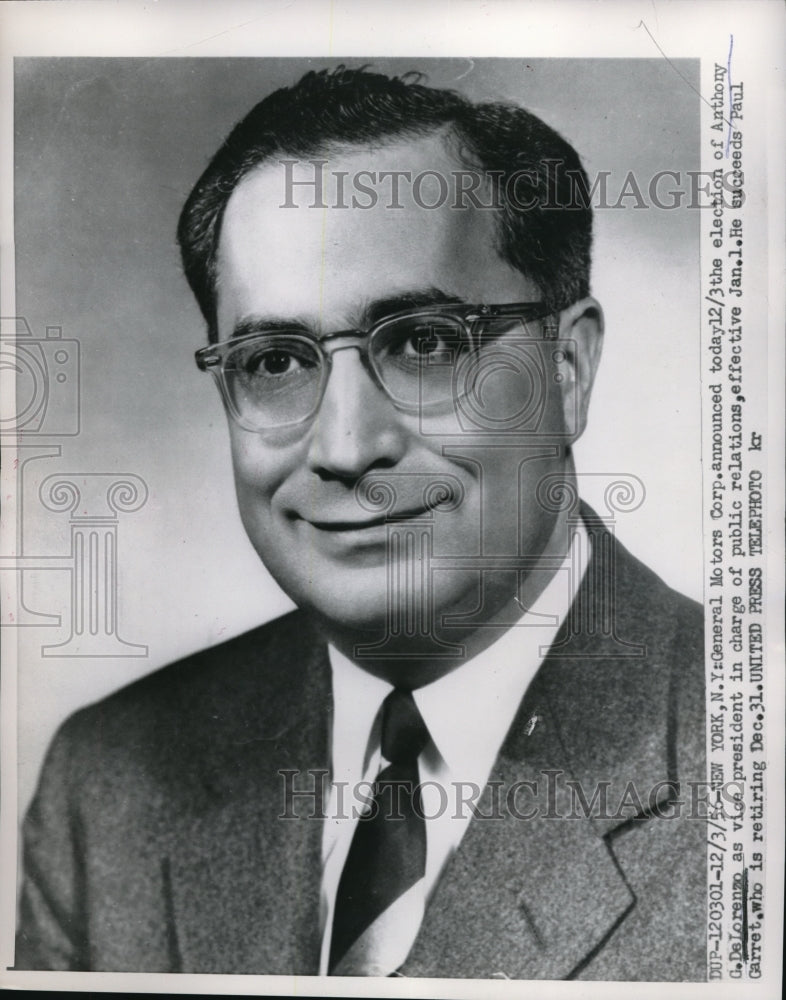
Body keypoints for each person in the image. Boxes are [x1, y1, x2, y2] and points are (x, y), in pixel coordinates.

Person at [15, 65, 706, 980]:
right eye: (273, 361)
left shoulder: (747, 757)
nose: (345, 446)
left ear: (567, 371)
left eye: (425, 342)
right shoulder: (109, 786)